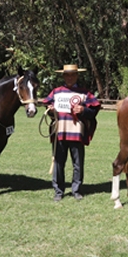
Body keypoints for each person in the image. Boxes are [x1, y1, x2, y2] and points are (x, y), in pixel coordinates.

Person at [42, 64, 101, 202]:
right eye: (67, 75)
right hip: (59, 132)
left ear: (77, 76)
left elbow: (94, 110)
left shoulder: (84, 93)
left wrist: (84, 110)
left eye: (72, 75)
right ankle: (58, 191)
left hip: (76, 133)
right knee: (58, 163)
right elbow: (47, 106)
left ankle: (76, 190)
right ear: (63, 76)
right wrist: (50, 110)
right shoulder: (56, 92)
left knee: (78, 164)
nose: (70, 77)